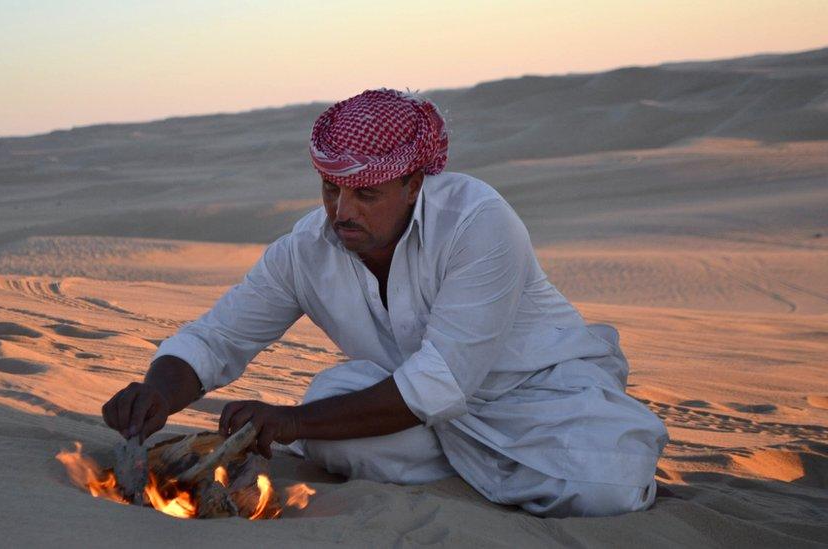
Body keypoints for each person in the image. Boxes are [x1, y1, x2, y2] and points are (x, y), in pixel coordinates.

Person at [102, 88, 669, 518]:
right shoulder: (305, 250)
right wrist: (157, 390)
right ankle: (464, 470)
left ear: (415, 183)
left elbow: (441, 382)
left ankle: (483, 466)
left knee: (608, 488)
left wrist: (292, 420)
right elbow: (217, 338)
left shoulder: (479, 223)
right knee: (329, 412)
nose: (342, 210)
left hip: (536, 397)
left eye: (365, 193)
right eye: (331, 189)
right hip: (412, 407)